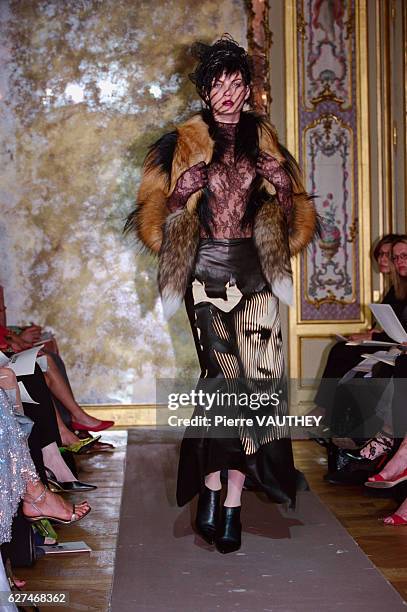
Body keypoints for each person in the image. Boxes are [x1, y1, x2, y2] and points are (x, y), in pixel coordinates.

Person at [126, 35, 317, 553]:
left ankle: (227, 497)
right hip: (205, 270)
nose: (228, 93)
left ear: (248, 89)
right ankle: (213, 488)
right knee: (224, 380)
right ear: (205, 90)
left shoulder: (266, 138)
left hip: (257, 273)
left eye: (237, 83)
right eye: (218, 83)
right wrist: (181, 193)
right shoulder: (179, 142)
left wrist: (282, 186)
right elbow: (153, 221)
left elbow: (295, 216)